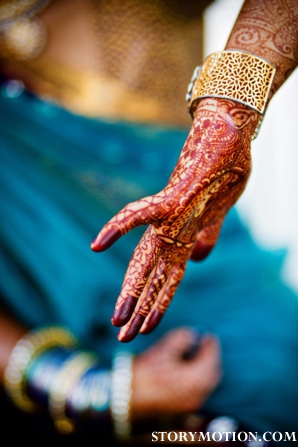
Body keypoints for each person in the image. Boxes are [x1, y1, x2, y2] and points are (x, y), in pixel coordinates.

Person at [0, 0, 298, 444]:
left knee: (260, 392)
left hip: (190, 250)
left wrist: (226, 117)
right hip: (18, 288)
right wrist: (92, 390)